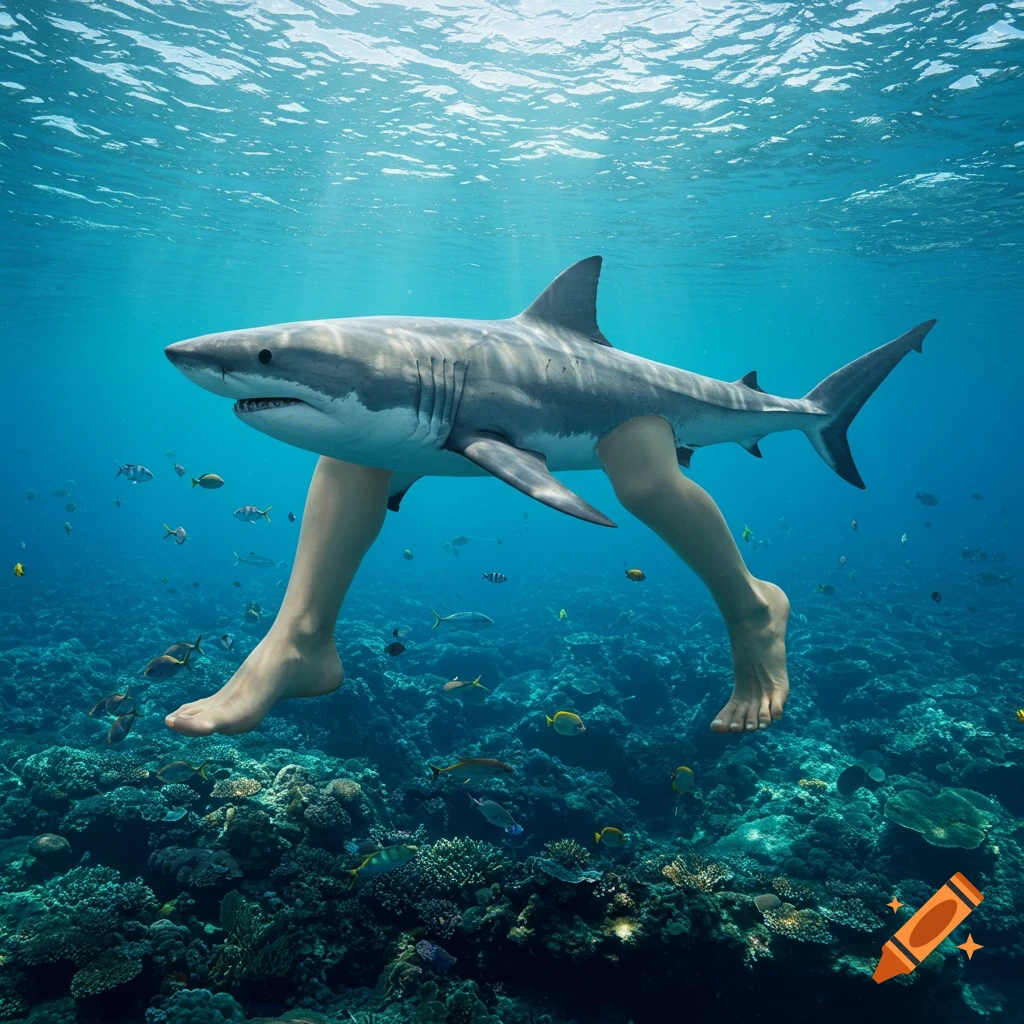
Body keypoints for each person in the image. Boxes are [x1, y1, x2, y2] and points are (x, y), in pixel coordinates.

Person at [164, 417, 789, 739]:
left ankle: (753, 607)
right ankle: (299, 640)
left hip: (624, 400)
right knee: (352, 440)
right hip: (457, 399)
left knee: (644, 479)